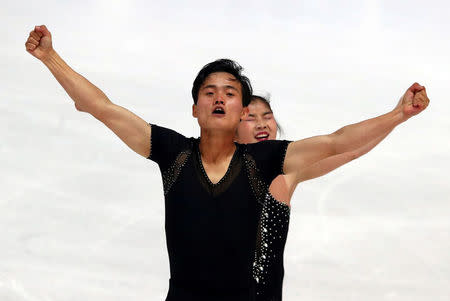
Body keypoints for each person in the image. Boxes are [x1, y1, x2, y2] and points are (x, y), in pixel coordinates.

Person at [25, 25, 429, 301]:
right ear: (195, 108)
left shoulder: (266, 161)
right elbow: (100, 107)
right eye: (209, 92)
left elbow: (339, 141)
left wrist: (398, 114)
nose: (219, 98)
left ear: (241, 112)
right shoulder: (172, 153)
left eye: (230, 93)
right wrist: (50, 57)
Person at [236, 95, 400, 300]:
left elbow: (349, 150)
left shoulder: (287, 174)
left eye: (267, 116)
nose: (262, 124)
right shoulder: (216, 173)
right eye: (251, 118)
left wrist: (399, 115)